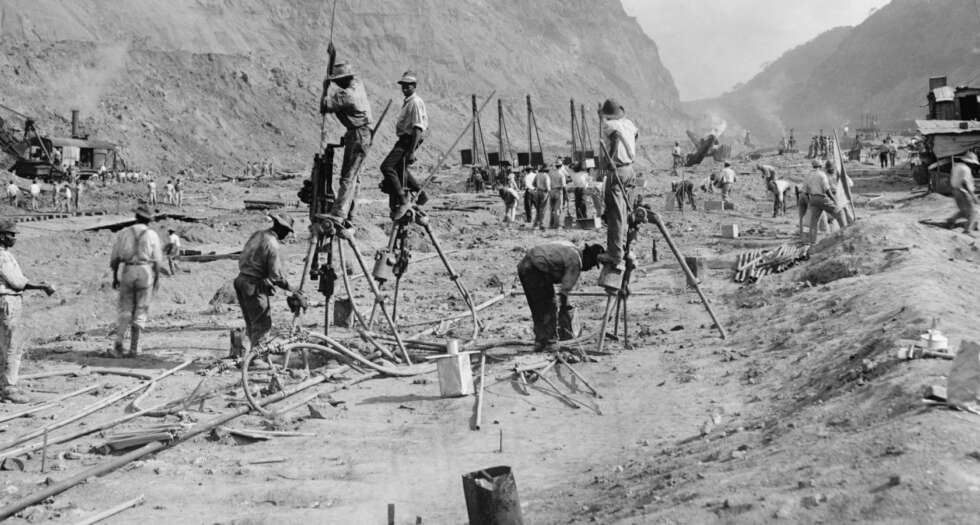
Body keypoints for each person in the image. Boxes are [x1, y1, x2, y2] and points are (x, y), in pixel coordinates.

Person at [234, 213, 307, 353]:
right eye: (287, 231)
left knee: (251, 322)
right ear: (282, 229)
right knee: (262, 324)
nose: (287, 235)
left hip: (241, 280)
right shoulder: (272, 244)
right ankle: (257, 357)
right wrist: (291, 288)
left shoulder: (258, 234)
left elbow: (252, 259)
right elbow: (276, 276)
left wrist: (264, 278)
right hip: (253, 285)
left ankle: (249, 354)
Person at [0, 220, 55, 403]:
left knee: (4, 345)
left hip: (5, 300)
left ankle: (4, 384)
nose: (14, 238)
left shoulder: (6, 254)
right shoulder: (3, 257)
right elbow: (17, 282)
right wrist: (41, 286)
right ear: (2, 236)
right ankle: (9, 387)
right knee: (12, 345)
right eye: (11, 235)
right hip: (8, 300)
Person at [517, 241, 604, 351]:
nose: (590, 268)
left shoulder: (571, 247)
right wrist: (564, 311)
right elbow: (564, 292)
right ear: (588, 258)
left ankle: (540, 341)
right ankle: (550, 343)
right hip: (536, 269)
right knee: (549, 306)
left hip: (524, 265)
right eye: (592, 264)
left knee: (537, 308)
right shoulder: (576, 261)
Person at [319, 58, 373, 225]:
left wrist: (325, 87)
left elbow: (324, 107)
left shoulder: (346, 95)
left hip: (358, 134)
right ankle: (350, 213)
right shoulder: (358, 85)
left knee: (348, 176)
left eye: (337, 81)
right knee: (355, 176)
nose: (336, 84)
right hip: (361, 133)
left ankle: (339, 212)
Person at [109, 205, 163, 357]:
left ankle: (118, 344)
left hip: (128, 270)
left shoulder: (124, 233)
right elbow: (157, 261)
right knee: (141, 308)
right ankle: (134, 347)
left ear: (136, 218)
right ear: (149, 220)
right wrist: (157, 279)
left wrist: (115, 277)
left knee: (125, 308)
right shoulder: (152, 235)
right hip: (144, 270)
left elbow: (115, 258)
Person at [380, 70, 428, 221]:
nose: (405, 88)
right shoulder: (408, 102)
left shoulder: (415, 102)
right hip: (405, 139)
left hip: (409, 139)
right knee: (400, 169)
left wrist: (411, 151)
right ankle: (420, 193)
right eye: (403, 85)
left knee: (387, 167)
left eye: (408, 86)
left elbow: (418, 128)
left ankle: (402, 199)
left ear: (414, 86)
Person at [597, 98, 638, 271]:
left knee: (615, 214)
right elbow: (635, 137)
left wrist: (610, 160)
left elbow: (615, 139)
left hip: (617, 171)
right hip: (630, 170)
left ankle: (615, 253)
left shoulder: (610, 125)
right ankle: (627, 248)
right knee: (626, 211)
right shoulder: (629, 124)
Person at [802, 160, 845, 244]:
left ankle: (812, 242)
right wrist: (834, 200)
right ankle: (845, 235)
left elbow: (805, 191)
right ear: (821, 166)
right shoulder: (822, 175)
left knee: (814, 222)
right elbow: (827, 190)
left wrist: (810, 201)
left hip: (813, 198)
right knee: (840, 213)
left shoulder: (808, 175)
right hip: (822, 198)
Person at [946, 151, 979, 236]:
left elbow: (953, 179)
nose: (973, 166)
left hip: (955, 190)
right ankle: (967, 230)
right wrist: (973, 195)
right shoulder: (966, 169)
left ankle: (951, 220)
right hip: (963, 192)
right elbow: (964, 183)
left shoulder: (956, 166)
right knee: (973, 212)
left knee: (964, 211)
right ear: (970, 162)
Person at [825, 160, 854, 226]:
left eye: (832, 169)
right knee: (833, 213)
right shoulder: (825, 175)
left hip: (841, 195)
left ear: (834, 167)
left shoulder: (840, 174)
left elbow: (850, 183)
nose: (831, 170)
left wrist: (844, 186)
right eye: (829, 169)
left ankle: (851, 224)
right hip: (831, 196)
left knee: (846, 211)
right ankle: (834, 225)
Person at [548, 162, 567, 229]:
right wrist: (566, 195)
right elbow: (563, 185)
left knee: (551, 208)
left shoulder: (550, 173)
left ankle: (550, 223)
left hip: (551, 191)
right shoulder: (561, 174)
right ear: (561, 166)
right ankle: (557, 224)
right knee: (557, 209)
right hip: (558, 191)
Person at [532, 166, 550, 230]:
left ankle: (535, 224)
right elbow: (547, 186)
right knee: (543, 208)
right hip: (544, 192)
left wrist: (538, 186)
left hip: (537, 192)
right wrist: (548, 191)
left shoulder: (537, 175)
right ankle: (542, 224)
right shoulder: (546, 176)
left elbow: (533, 184)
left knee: (538, 208)